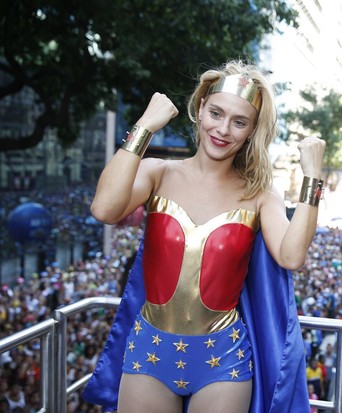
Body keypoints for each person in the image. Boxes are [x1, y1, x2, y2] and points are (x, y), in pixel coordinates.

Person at [83, 60, 326, 412]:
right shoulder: (158, 173)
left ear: (250, 131)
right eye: (216, 113)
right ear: (200, 109)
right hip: (149, 351)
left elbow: (291, 256)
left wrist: (312, 178)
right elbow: (104, 209)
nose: (224, 129)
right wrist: (144, 126)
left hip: (223, 360)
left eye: (239, 121)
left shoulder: (260, 194)